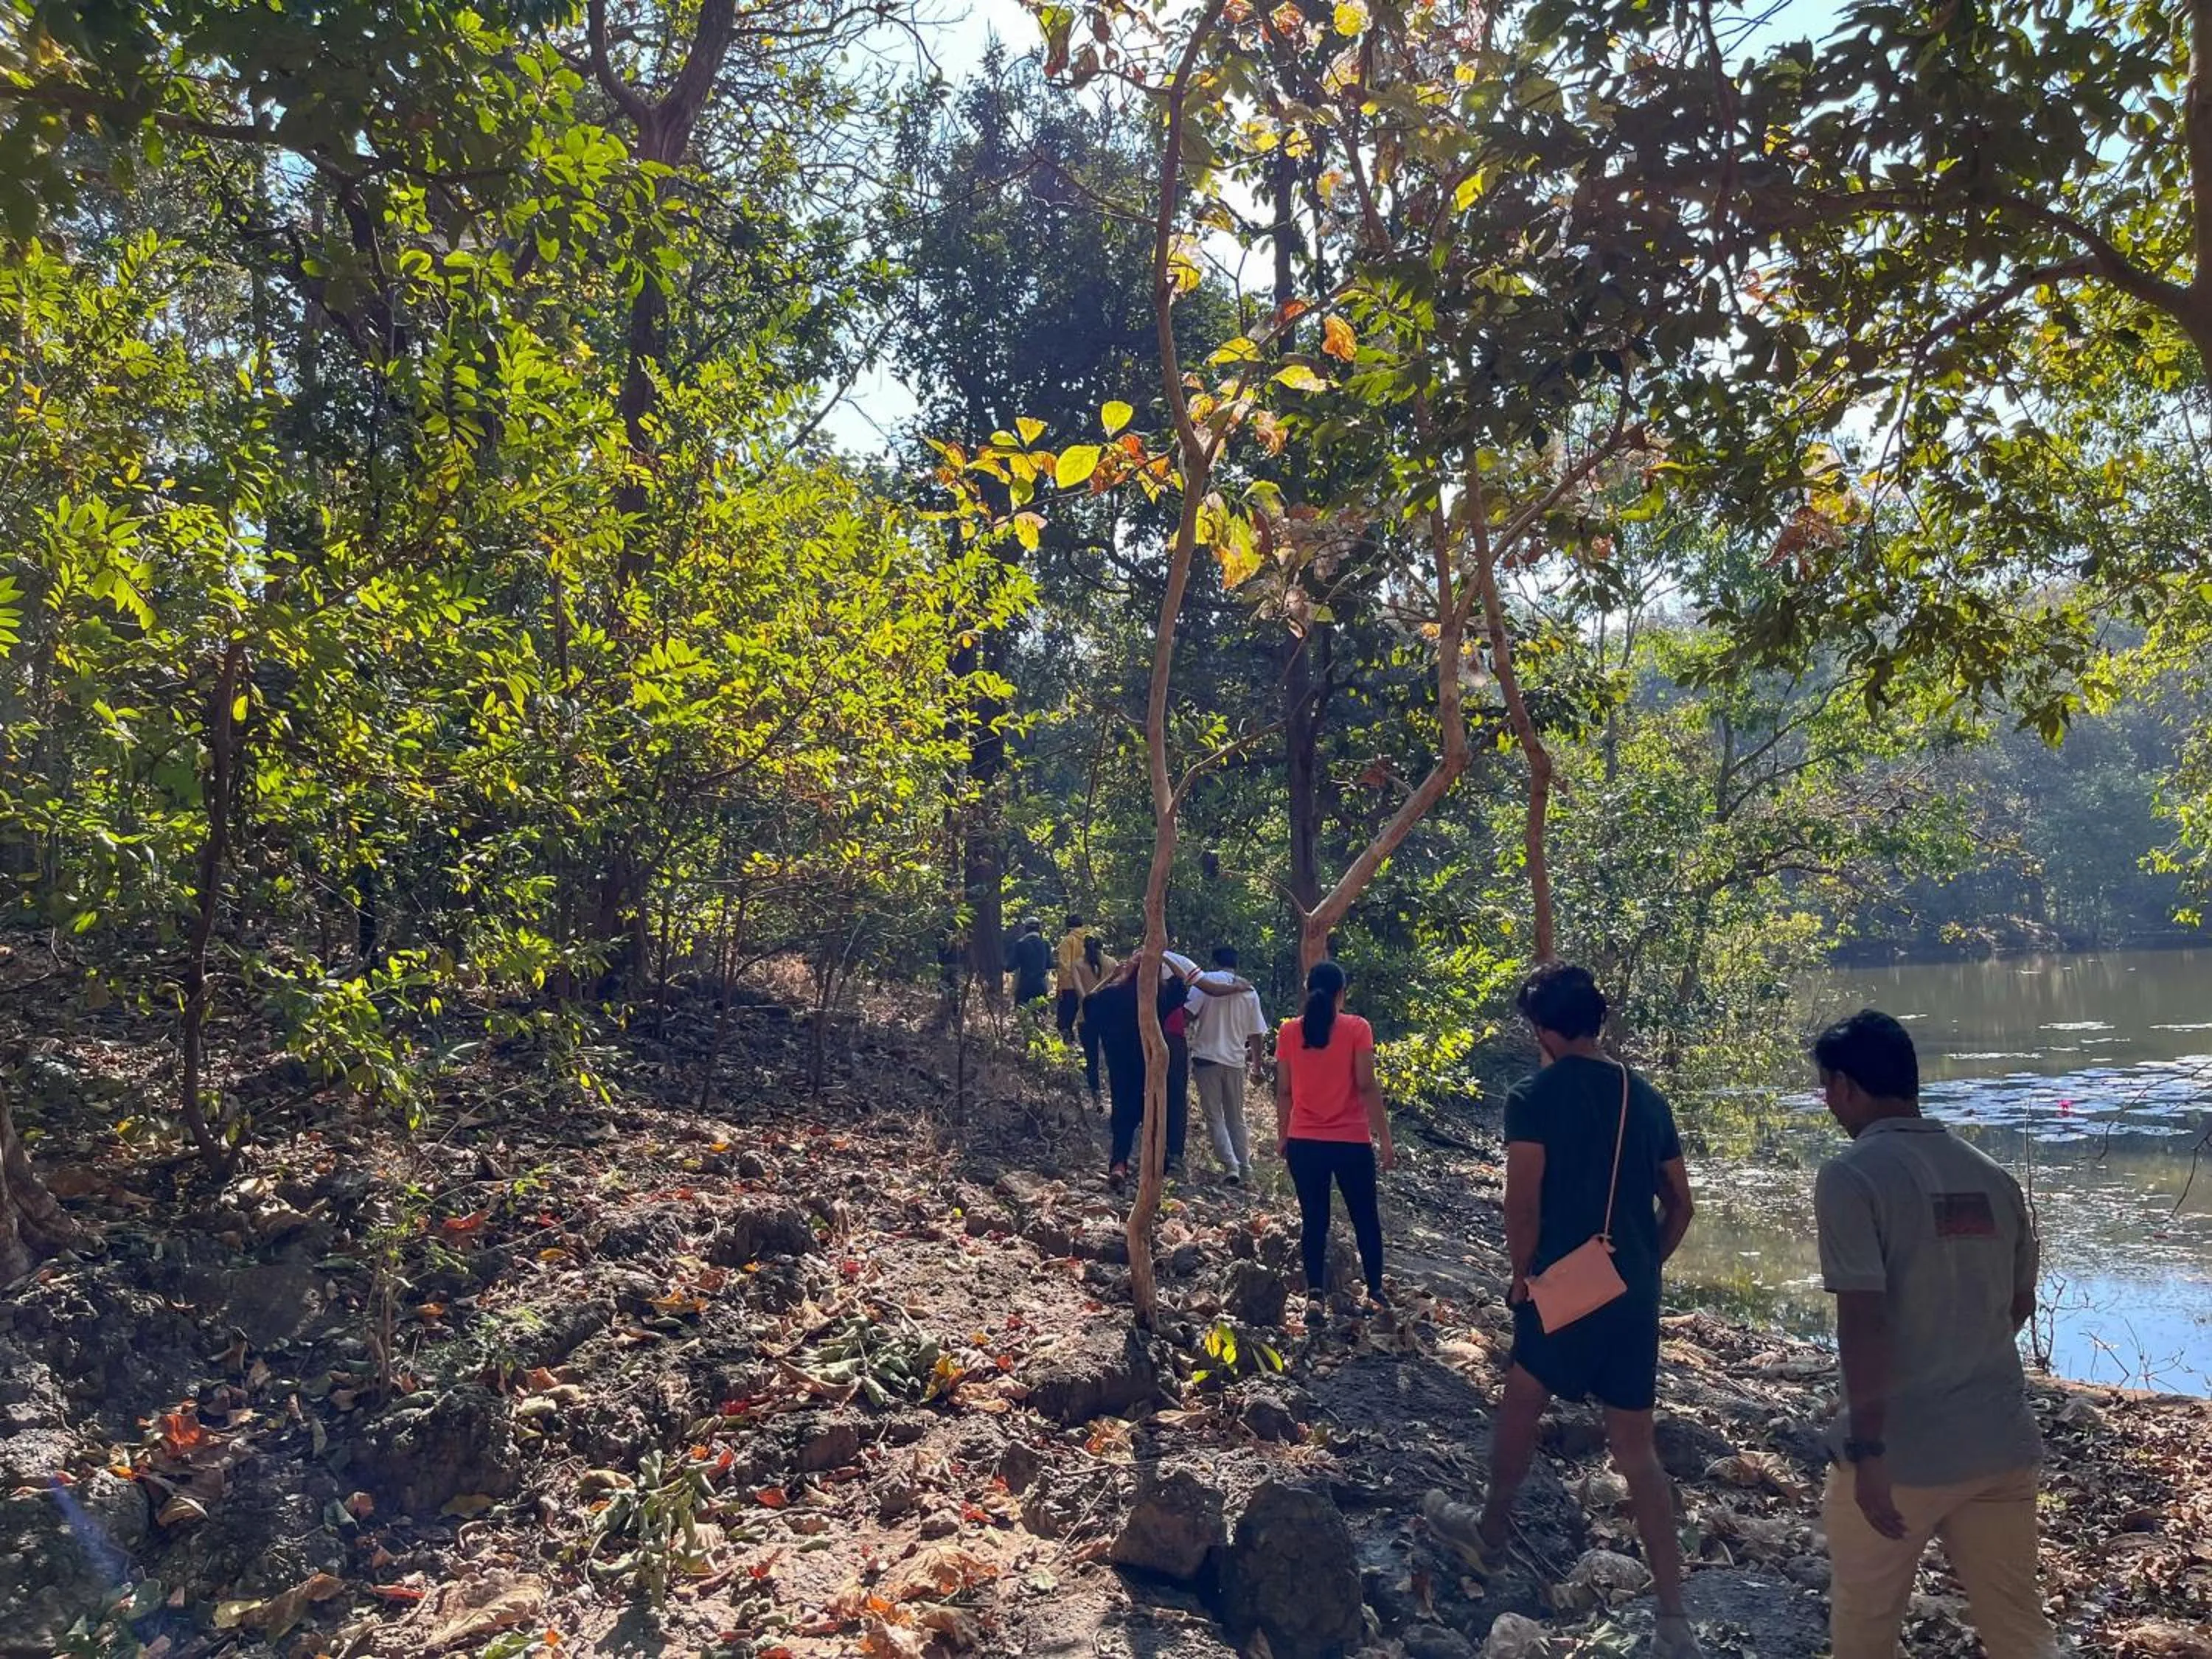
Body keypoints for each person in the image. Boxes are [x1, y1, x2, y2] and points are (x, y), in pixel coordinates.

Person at [1425, 963, 1701, 1659]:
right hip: (1630, 1292)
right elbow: (1682, 1203)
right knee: (1636, 1451)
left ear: (1544, 1030)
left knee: (1522, 1400)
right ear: (1598, 1023)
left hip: (1560, 1288)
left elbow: (1523, 1200)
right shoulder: (1647, 1098)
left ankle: (1490, 1531)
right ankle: (1674, 1618)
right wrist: (1641, 1270)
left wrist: (1523, 1277)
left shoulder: (1532, 1096)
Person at [1810, 1009, 2061, 1659]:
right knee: (2020, 1630)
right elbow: (2018, 1305)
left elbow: (1862, 1320)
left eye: (1826, 1089)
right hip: (2000, 1444)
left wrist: (1867, 1450)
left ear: (1842, 1087)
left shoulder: (1852, 1176)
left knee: (1864, 1633)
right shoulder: (1992, 1178)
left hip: (1903, 1458)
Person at [1273, 959, 1394, 1314]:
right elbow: (1367, 1085)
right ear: (1342, 992)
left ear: (1308, 989)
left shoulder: (1290, 1031)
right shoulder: (1357, 1028)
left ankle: (1314, 1296)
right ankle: (1375, 1291)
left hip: (1304, 1141)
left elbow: (1284, 1091)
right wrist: (1385, 1139)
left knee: (1315, 1220)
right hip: (1351, 1142)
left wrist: (1284, 1135)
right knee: (1365, 1217)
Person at [1081, 954, 1189, 1189]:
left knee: (1122, 1114)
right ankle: (1154, 1167)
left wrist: (1112, 976)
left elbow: (1088, 1003)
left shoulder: (1112, 995)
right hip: (1149, 1065)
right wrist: (1162, 959)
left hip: (1120, 1064)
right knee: (1153, 1112)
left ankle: (1119, 1163)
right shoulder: (1159, 996)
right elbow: (1184, 981)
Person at [1189, 945, 1267, 1183]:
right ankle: (1245, 1167)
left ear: (1214, 962)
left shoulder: (1204, 983)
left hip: (1206, 1057)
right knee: (1236, 1116)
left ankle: (1230, 1165)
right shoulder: (1249, 991)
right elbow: (1256, 1033)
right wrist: (1257, 1065)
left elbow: (1188, 1014)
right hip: (1235, 1060)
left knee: (1214, 1116)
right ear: (1236, 964)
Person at [1074, 935, 1116, 1107]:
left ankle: (1096, 1095)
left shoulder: (1077, 965)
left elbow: (1080, 993)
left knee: (1091, 1059)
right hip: (1110, 1016)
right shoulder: (1112, 963)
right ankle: (1116, 1096)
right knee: (1113, 1058)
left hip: (1086, 1016)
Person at [1053, 914, 1096, 1043]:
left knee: (1065, 1019)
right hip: (1089, 984)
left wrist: (1061, 985)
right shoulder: (1091, 939)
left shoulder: (1068, 940)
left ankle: (1068, 1043)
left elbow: (1064, 964)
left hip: (1070, 986)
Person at [1007, 917, 1050, 1006]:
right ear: (1039, 928)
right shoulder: (1045, 944)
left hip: (1025, 986)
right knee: (1040, 1017)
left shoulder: (1020, 944)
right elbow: (1050, 964)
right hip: (1040, 985)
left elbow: (1011, 967)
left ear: (1025, 929)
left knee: (1022, 1016)